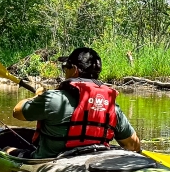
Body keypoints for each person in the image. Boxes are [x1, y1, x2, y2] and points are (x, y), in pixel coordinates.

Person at [11, 47, 140, 158]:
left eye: (65, 67)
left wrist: (37, 96)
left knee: (7, 149)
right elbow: (132, 145)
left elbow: (17, 112)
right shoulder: (112, 107)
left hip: (50, 164)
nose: (64, 71)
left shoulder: (54, 100)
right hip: (91, 164)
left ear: (74, 70)